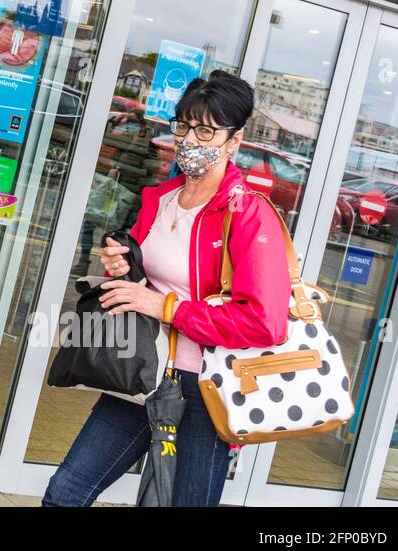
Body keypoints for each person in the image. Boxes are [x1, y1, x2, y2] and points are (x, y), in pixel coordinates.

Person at [44, 70, 291, 506]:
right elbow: (142, 277)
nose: (190, 139)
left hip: (205, 387)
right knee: (66, 493)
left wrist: (166, 307)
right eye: (183, 126)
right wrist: (123, 263)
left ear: (235, 140)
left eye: (206, 130)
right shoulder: (161, 199)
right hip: (144, 371)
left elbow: (264, 323)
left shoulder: (248, 215)